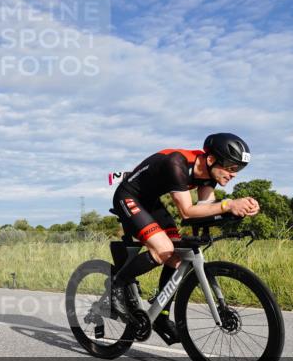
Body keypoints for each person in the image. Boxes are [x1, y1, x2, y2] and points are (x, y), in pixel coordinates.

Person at [110, 133, 260, 314]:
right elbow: (187, 212)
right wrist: (228, 204)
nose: (233, 174)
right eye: (230, 167)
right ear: (211, 159)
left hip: (151, 202)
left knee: (177, 256)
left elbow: (205, 210)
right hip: (128, 197)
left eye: (239, 169)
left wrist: (238, 212)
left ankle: (161, 314)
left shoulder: (210, 175)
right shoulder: (177, 164)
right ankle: (117, 284)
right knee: (163, 249)